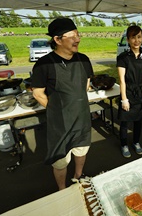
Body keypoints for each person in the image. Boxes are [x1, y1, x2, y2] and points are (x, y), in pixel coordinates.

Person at [31, 18, 94, 190]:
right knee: (60, 160)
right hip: (60, 123)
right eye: (72, 36)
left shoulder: (84, 60)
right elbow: (37, 93)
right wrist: (57, 110)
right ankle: (62, 189)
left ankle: (78, 176)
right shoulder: (44, 64)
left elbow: (85, 86)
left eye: (78, 34)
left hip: (81, 116)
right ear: (57, 40)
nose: (77, 39)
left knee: (81, 150)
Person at [117, 25, 142, 158]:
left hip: (141, 93)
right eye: (133, 37)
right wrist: (124, 99)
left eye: (139, 37)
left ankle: (136, 142)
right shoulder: (123, 57)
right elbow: (122, 80)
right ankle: (124, 144)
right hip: (128, 92)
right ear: (128, 39)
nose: (136, 40)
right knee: (125, 122)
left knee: (138, 120)